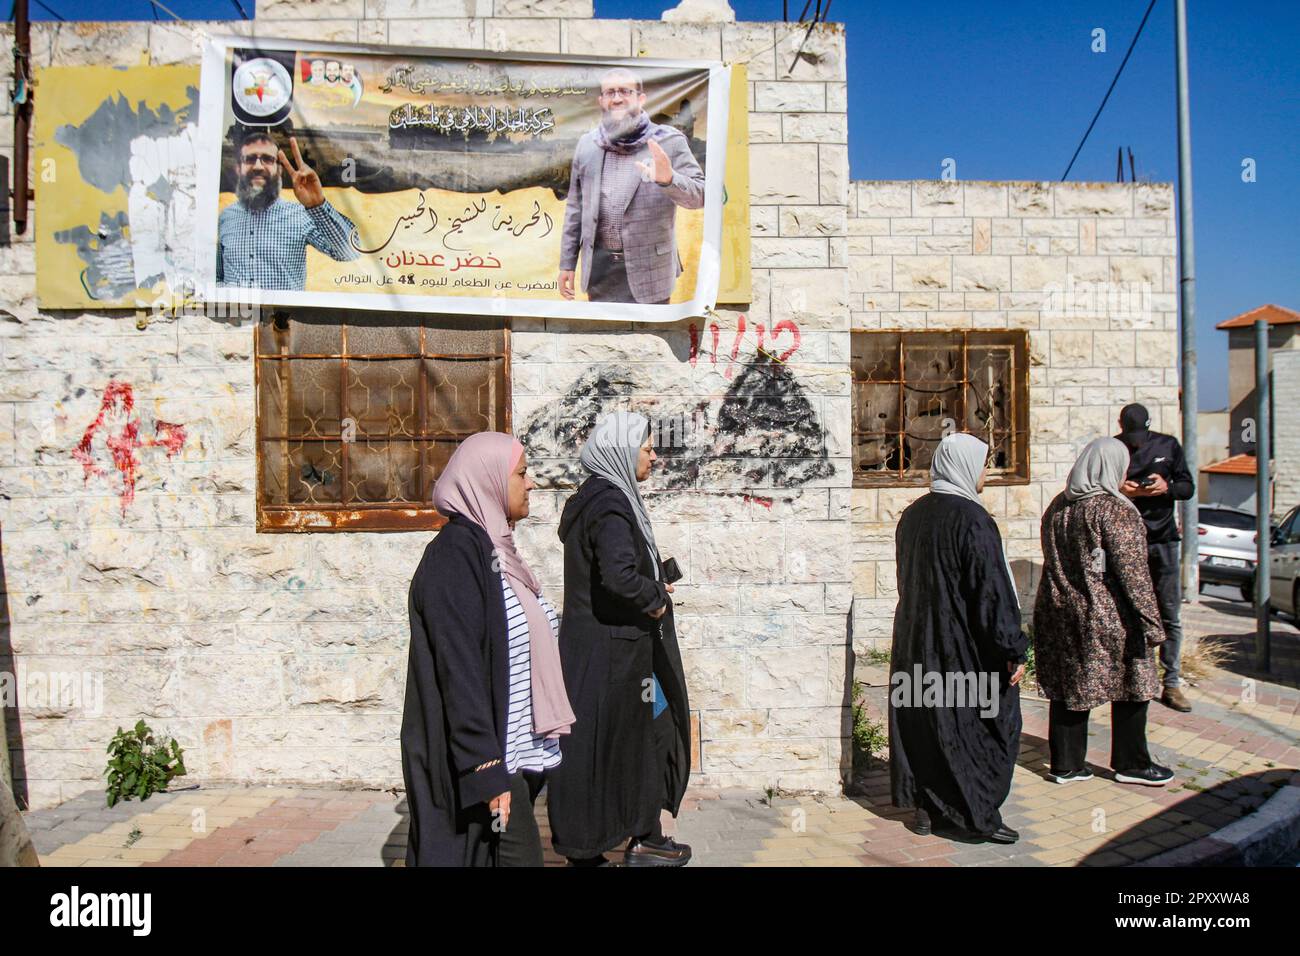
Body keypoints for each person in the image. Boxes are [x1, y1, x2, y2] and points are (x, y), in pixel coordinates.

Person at [400, 432, 574, 866]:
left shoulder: (497, 550)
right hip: (486, 760)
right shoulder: (455, 556)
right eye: (521, 473)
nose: (531, 483)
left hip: (512, 752)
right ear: (489, 481)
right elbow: (458, 669)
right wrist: (484, 765)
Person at [545, 411, 693, 866]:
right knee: (599, 750)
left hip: (609, 651)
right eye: (647, 448)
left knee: (636, 742)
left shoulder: (599, 498)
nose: (653, 456)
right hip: (610, 654)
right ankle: (589, 849)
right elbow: (618, 577)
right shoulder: (610, 503)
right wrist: (655, 596)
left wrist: (651, 578)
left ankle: (642, 835)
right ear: (623, 452)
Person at [888, 433, 1028, 844]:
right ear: (966, 467)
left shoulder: (912, 515)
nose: (986, 472)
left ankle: (928, 809)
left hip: (915, 639)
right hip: (960, 645)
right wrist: (1011, 648)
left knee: (926, 722)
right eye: (983, 464)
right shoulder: (973, 519)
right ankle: (978, 811)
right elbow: (991, 591)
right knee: (976, 725)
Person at [1033, 437, 1174, 788]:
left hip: (1060, 611)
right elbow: (1134, 574)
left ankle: (1065, 765)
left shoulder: (1058, 507)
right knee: (1134, 685)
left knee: (1069, 688)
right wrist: (1152, 623)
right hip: (1109, 616)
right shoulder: (1114, 509)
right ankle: (1132, 763)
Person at [557, 68, 706, 305]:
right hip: (600, 274)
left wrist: (669, 179)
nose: (617, 98)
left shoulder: (669, 141)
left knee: (651, 342)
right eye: (610, 92)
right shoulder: (587, 145)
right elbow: (575, 208)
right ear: (601, 101)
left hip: (651, 273)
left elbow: (700, 196)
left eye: (625, 91)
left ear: (641, 98)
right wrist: (567, 263)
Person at [1115, 403, 1196, 713]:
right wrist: (1124, 491)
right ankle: (1133, 678)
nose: (1136, 441)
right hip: (1126, 542)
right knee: (1129, 614)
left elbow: (1187, 488)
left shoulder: (1168, 445)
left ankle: (1172, 682)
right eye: (1130, 434)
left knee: (1169, 613)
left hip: (1163, 541)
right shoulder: (1115, 448)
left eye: (1140, 434)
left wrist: (1166, 487)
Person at [216, 131, 358, 290]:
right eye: (249, 159)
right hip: (237, 314)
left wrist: (317, 205)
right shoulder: (225, 217)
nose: (257, 166)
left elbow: (349, 252)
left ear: (279, 170)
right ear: (238, 168)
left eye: (267, 159)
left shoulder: (300, 214)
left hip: (285, 315)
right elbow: (217, 277)